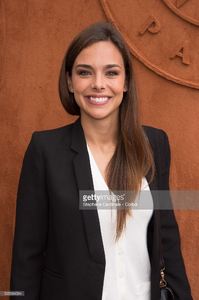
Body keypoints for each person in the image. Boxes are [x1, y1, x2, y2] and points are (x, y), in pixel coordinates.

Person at [10, 22, 193, 300]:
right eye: (85, 72)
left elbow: (166, 237)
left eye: (111, 72)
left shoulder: (154, 144)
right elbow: (27, 257)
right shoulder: (45, 150)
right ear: (70, 81)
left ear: (126, 82)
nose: (98, 84)